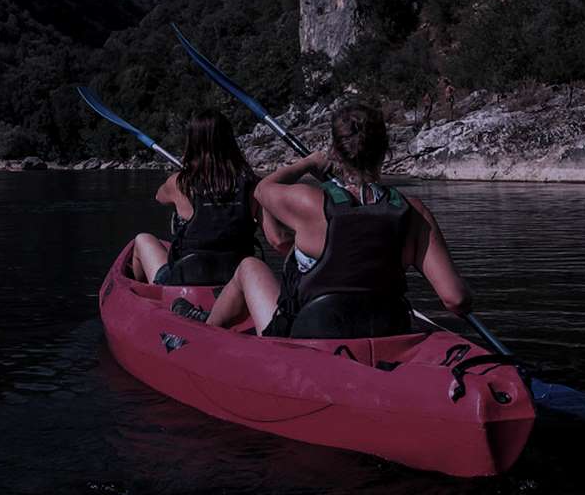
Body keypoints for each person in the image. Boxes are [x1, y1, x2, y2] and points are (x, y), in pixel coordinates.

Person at [185, 104, 471, 338]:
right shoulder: (414, 212)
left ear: (335, 151)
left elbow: (261, 190)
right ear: (386, 150)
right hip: (387, 328)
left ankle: (208, 333)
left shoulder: (309, 203)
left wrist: (307, 163)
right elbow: (456, 300)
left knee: (249, 267)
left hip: (311, 331)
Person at [132, 111, 263, 286]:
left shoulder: (179, 183)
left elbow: (159, 197)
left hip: (186, 279)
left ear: (192, 143)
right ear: (230, 141)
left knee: (142, 239)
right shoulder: (253, 184)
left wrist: (185, 172)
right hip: (237, 279)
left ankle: (146, 294)